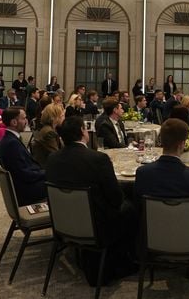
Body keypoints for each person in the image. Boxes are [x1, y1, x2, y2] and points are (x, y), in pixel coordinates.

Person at [45, 116, 136, 279]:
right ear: (82, 131)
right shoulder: (98, 159)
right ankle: (129, 258)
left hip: (63, 221)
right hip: (96, 225)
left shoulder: (52, 158)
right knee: (131, 207)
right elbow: (116, 199)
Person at [134, 117, 189, 230]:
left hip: (151, 239)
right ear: (182, 144)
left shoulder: (143, 173)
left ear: (160, 141)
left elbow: (138, 213)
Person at [0, 108, 45, 205]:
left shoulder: (11, 138)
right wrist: (46, 173)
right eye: (24, 118)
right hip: (26, 190)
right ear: (14, 122)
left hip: (25, 184)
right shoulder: (11, 143)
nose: (26, 121)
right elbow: (24, 174)